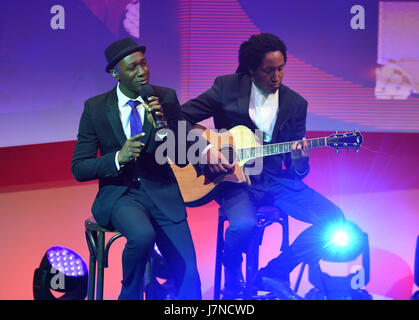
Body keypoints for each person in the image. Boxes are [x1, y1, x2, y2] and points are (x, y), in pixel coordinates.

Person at [181, 33, 346, 299]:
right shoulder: (226, 88)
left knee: (335, 220)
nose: (276, 77)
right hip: (230, 177)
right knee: (244, 225)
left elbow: (296, 172)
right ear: (251, 69)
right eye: (269, 70)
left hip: (272, 179)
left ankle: (276, 272)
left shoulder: (295, 104)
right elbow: (179, 118)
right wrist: (205, 150)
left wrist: (300, 161)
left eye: (281, 69)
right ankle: (232, 270)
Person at [72, 37, 201, 300]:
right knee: (142, 236)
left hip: (163, 194)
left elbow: (185, 156)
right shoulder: (95, 108)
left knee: (188, 274)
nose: (142, 72)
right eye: (133, 67)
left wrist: (166, 127)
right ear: (115, 73)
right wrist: (118, 157)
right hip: (121, 195)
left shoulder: (165, 98)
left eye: (144, 64)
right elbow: (79, 167)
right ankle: (128, 295)